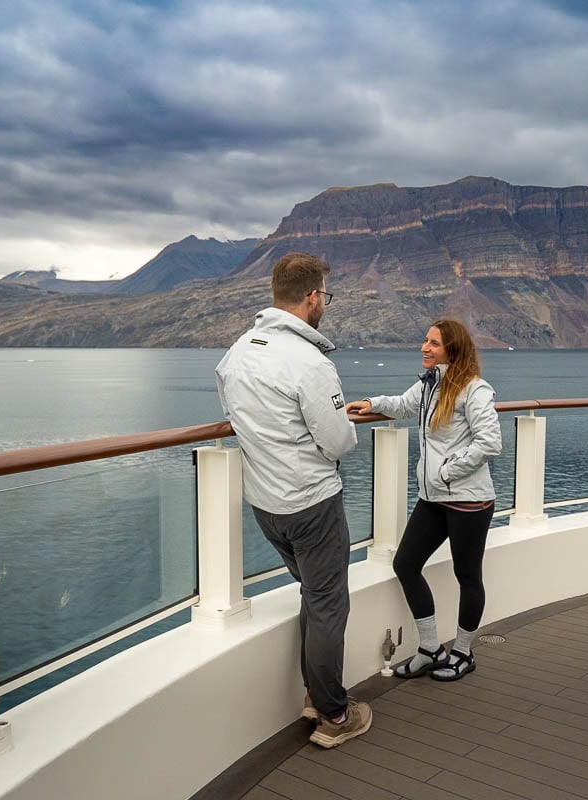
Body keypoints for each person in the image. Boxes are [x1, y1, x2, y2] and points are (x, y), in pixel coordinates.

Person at [214, 252, 371, 749]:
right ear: (312, 297)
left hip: (266, 507)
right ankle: (333, 715)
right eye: (326, 295)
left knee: (313, 594)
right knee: (328, 605)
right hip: (311, 504)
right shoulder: (309, 362)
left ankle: (313, 695)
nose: (325, 303)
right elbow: (339, 442)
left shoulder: (237, 353)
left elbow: (240, 420)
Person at [346, 319, 501, 681]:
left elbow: (490, 443)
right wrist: (370, 403)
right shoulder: (431, 384)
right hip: (433, 499)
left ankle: (463, 652)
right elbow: (402, 404)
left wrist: (447, 472)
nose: (424, 347)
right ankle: (431, 648)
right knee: (406, 564)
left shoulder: (475, 390)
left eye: (433, 343)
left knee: (467, 576)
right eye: (426, 341)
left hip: (468, 501)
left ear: (452, 350)